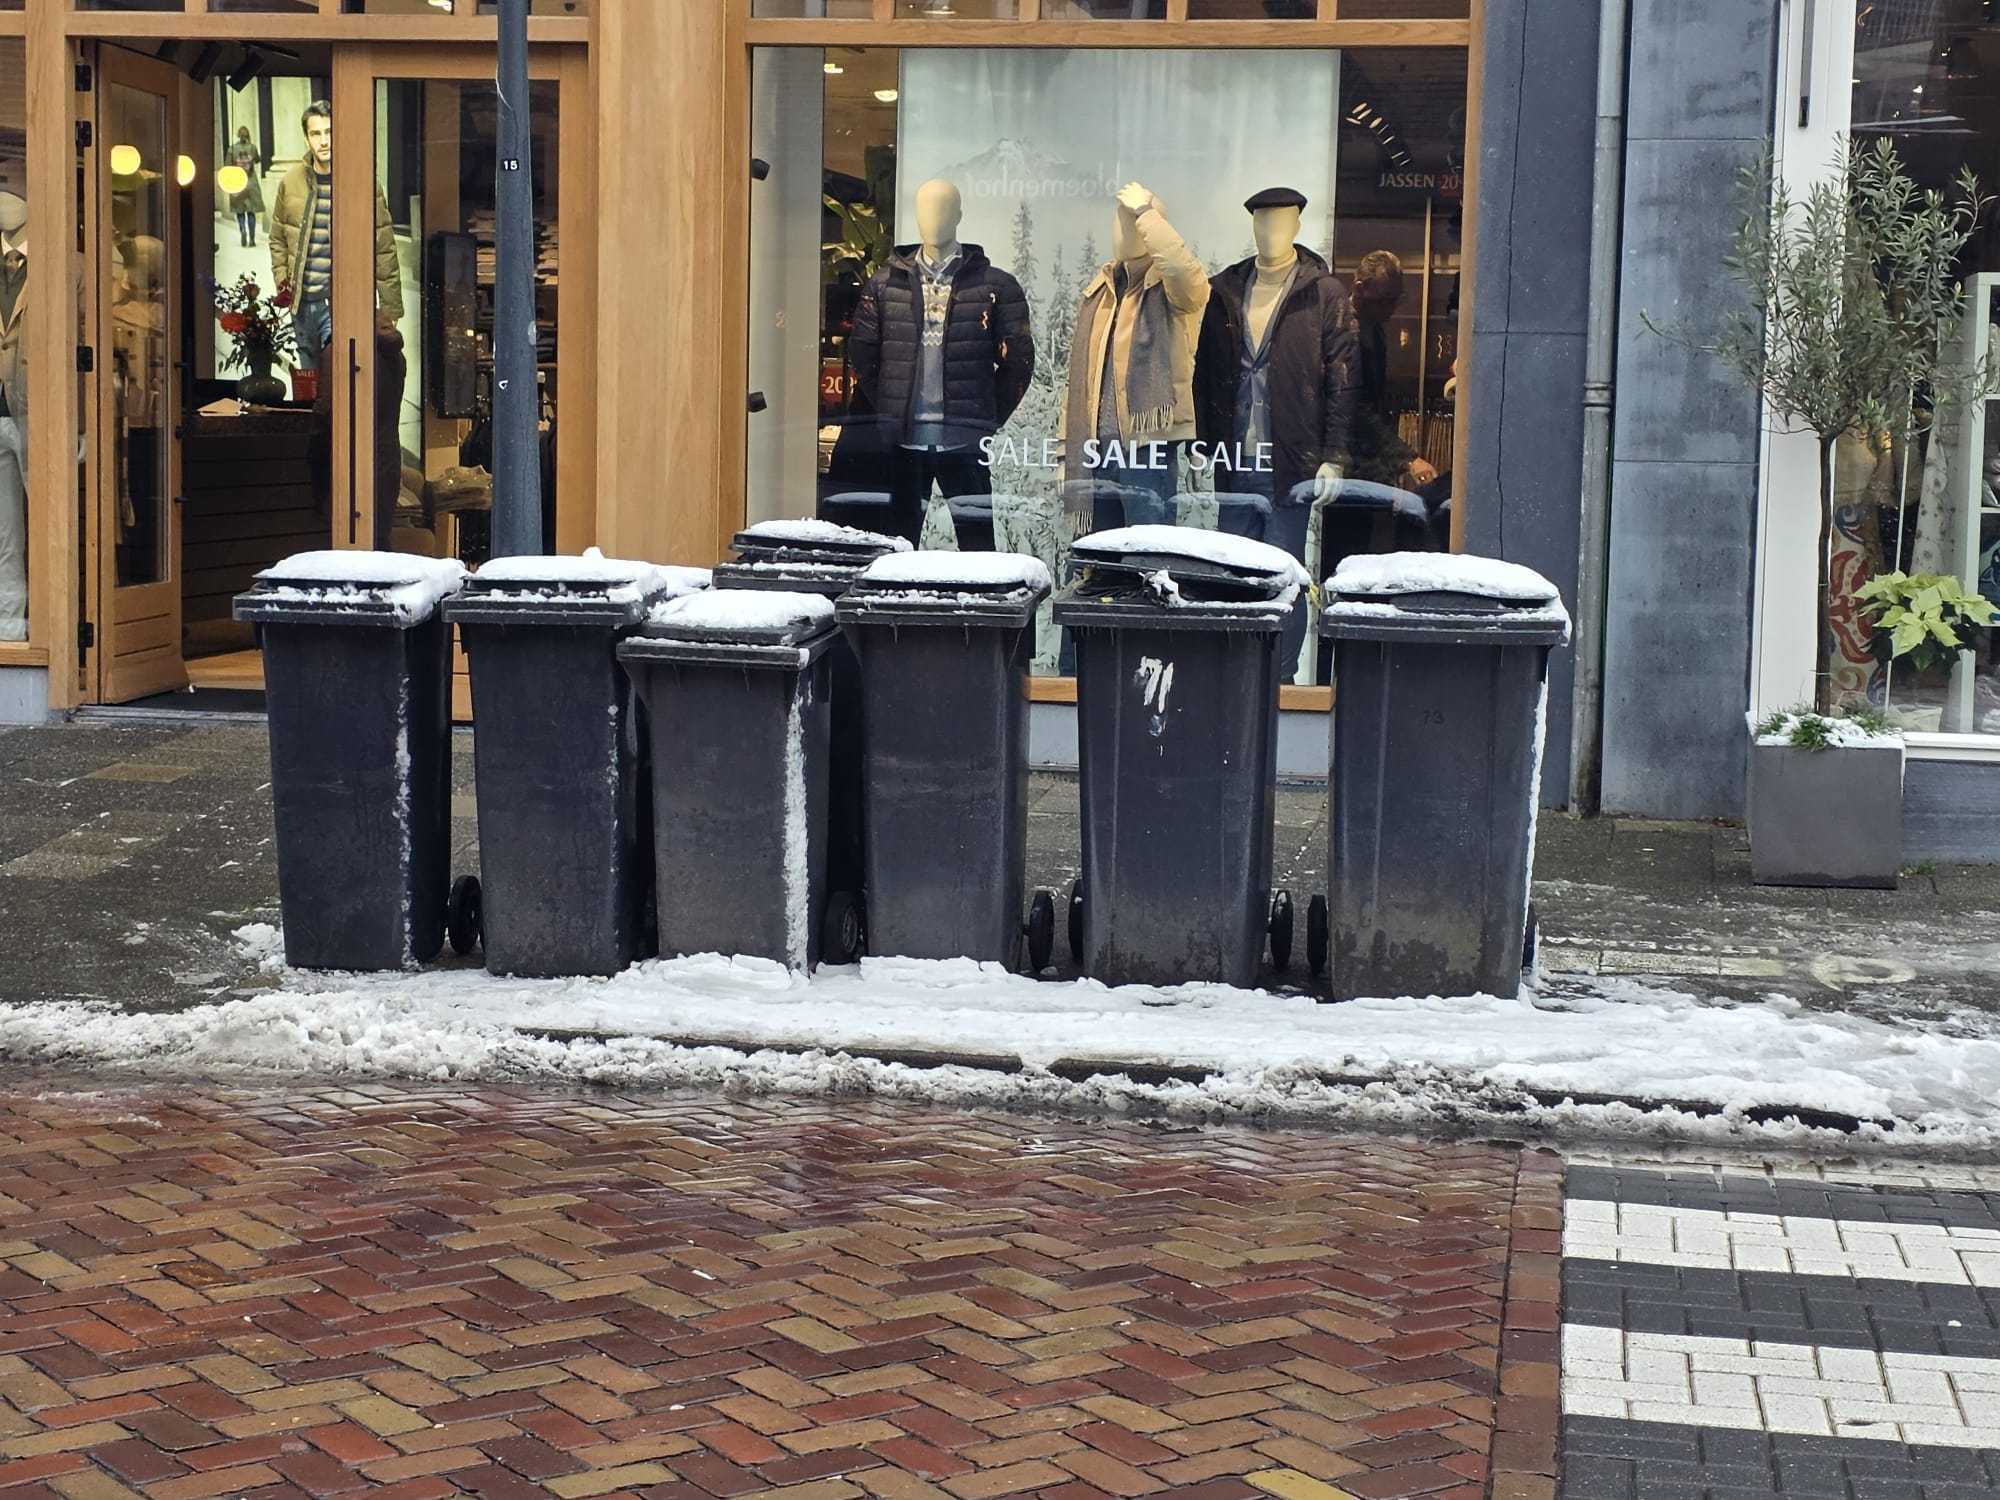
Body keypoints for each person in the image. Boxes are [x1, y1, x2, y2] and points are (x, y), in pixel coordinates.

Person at [268, 100, 404, 372]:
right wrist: (284, 284)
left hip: (340, 303)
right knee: (309, 379)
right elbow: (278, 238)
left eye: (329, 132)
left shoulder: (362, 181)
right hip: (302, 303)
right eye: (316, 134)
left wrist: (390, 309)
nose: (324, 141)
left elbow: (384, 247)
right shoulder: (290, 181)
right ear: (306, 138)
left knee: (339, 378)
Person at [1346, 249, 1434, 491]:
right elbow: (1355, 408)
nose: (1392, 308)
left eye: (1397, 299)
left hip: (1367, 461)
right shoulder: (1343, 330)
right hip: (1347, 463)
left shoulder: (1373, 325)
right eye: (1384, 300)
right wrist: (1406, 458)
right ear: (1359, 288)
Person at [227, 126, 265, 249]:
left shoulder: (232, 149)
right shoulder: (252, 148)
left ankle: (243, 229)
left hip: (238, 182)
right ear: (248, 135)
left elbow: (227, 166)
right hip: (251, 183)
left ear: (238, 135)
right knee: (251, 211)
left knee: (240, 211)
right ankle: (252, 240)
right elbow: (258, 160)